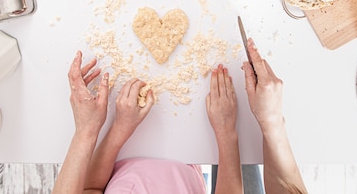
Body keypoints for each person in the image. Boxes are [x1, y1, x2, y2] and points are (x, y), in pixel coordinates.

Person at [53, 38, 307, 194]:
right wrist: (228, 132)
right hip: (191, 168)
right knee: (249, 168)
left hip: (123, 158)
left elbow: (91, 188)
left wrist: (109, 128)